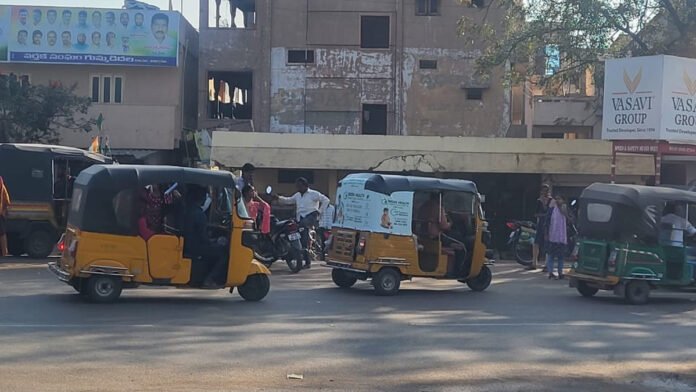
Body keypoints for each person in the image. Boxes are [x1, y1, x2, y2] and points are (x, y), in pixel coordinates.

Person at [276, 178, 329, 268]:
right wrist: (278, 198)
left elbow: (326, 200)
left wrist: (319, 211)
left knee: (302, 228)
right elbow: (289, 200)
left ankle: (306, 260)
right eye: (297, 186)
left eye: (300, 186)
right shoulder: (297, 195)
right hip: (300, 219)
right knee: (299, 236)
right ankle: (301, 257)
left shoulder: (313, 194)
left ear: (305, 186)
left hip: (310, 217)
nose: (298, 188)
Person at [182, 185, 228, 288]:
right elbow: (204, 239)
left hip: (189, 243)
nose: (206, 198)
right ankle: (209, 279)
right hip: (195, 247)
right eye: (205, 196)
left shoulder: (189, 210)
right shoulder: (199, 214)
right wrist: (215, 241)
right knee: (223, 253)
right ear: (200, 197)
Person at [545, 195, 569, 280]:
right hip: (552, 236)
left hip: (562, 237)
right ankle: (550, 272)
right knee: (551, 255)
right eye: (557, 199)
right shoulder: (551, 209)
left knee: (561, 256)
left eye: (560, 199)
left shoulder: (565, 209)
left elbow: (569, 220)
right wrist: (546, 233)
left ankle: (560, 272)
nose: (558, 201)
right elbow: (547, 221)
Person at [529, 184, 551, 271]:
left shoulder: (551, 201)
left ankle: (547, 264)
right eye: (543, 191)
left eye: (546, 191)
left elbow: (550, 213)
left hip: (549, 225)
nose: (544, 192)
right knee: (536, 243)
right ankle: (534, 262)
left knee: (547, 244)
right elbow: (536, 214)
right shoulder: (539, 201)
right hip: (540, 224)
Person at [0, 177, 10, 257]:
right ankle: (4, 252)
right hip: (0, 213)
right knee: (2, 233)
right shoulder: (2, 185)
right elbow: (6, 200)